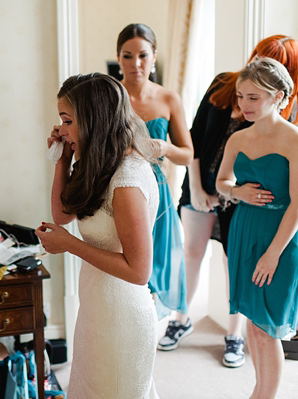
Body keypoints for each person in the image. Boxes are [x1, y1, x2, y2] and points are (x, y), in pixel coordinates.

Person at [160, 35, 298, 368]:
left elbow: (294, 191)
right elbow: (194, 137)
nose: (266, 67)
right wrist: (199, 188)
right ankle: (181, 318)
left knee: (234, 262)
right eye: (263, 58)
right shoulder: (227, 85)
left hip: (247, 205)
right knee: (192, 251)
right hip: (208, 184)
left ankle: (234, 334)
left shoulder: (289, 115)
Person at [36, 73, 160, 398]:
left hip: (121, 317)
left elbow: (138, 271)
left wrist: (70, 245)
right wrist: (61, 161)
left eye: (67, 120)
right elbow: (62, 214)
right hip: (96, 307)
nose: (60, 129)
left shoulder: (127, 179)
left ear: (93, 120)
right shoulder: (98, 163)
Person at [216, 57, 298, 398]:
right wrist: (237, 191)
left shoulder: (297, 141)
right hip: (244, 231)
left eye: (253, 97)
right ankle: (260, 391)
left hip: (280, 239)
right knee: (254, 327)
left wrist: (271, 255)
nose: (243, 104)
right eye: (240, 96)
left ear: (279, 95)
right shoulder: (238, 139)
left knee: (267, 329)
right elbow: (222, 182)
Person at [117, 23, 193, 319]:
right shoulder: (112, 95)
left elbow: (187, 154)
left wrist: (164, 148)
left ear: (154, 56)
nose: (136, 64)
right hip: (120, 189)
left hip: (157, 193)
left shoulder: (168, 98)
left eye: (143, 55)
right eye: (127, 56)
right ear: (118, 57)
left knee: (155, 269)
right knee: (127, 269)